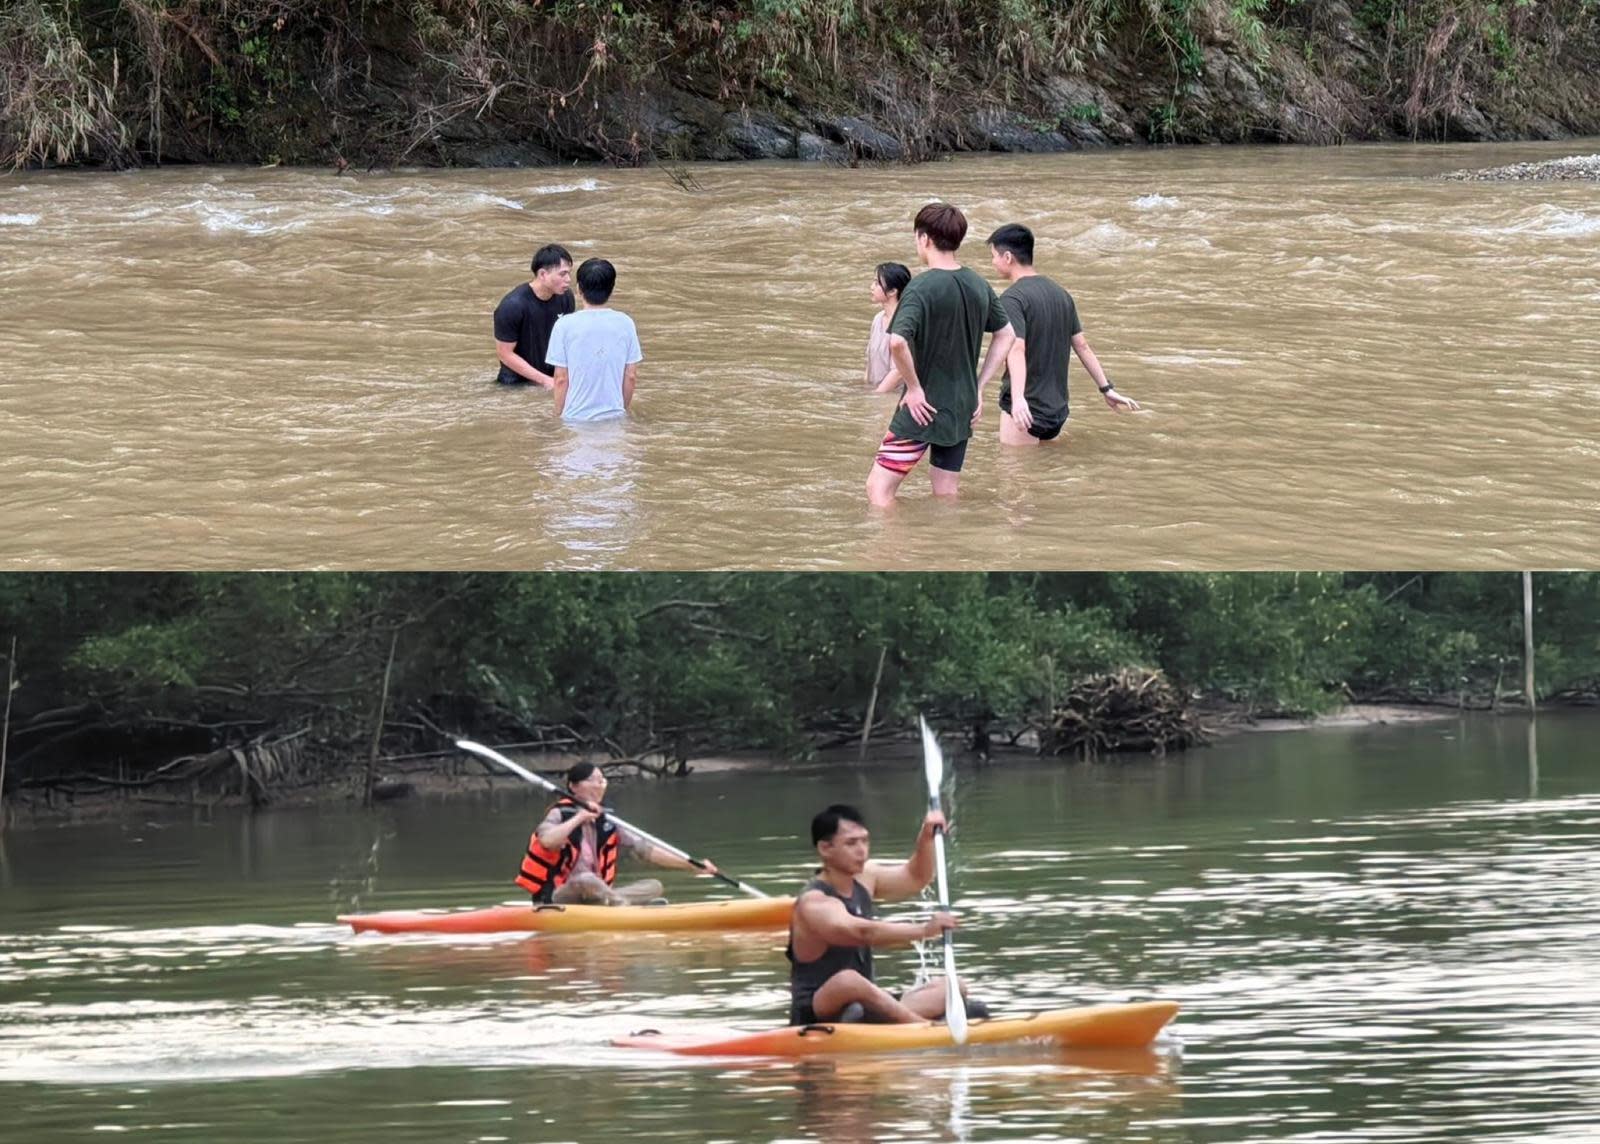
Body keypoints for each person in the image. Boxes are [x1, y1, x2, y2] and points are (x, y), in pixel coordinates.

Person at [867, 203, 1016, 507]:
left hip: (922, 408)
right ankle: (945, 550)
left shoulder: (920, 287)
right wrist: (979, 386)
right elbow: (1007, 334)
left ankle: (895, 553)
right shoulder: (978, 284)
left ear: (924, 239)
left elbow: (897, 341)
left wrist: (914, 387)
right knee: (946, 493)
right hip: (963, 405)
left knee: (878, 489)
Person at [787, 803, 986, 1025]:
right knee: (848, 981)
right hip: (818, 1010)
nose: (862, 850)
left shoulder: (867, 876)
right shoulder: (814, 902)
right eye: (851, 843)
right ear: (825, 848)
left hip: (864, 1006)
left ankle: (888, 1018)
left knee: (955, 986)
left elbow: (915, 877)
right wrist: (923, 930)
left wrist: (926, 838)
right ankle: (922, 1026)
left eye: (865, 840)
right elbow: (860, 932)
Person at [987, 223, 1140, 446]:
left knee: (1014, 476)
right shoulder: (1061, 294)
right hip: (1056, 410)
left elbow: (1017, 349)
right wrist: (1106, 389)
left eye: (993, 256)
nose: (992, 262)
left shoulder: (1012, 299)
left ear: (1008, 257)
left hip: (1025, 409)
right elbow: (1082, 346)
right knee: (1046, 470)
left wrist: (1018, 400)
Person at [514, 762, 716, 906]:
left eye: (602, 781)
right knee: (586, 879)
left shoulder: (609, 820)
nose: (599, 785)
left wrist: (691, 865)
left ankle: (614, 902)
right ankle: (621, 905)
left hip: (598, 896)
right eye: (593, 780)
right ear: (573, 787)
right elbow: (547, 841)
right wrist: (579, 818)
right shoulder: (559, 813)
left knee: (654, 886)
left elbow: (647, 850)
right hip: (559, 898)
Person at [547, 258, 643, 421]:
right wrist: (622, 410)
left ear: (579, 289)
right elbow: (631, 376)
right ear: (612, 289)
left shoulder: (564, 325)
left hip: (576, 419)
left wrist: (557, 415)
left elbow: (561, 379)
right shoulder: (625, 322)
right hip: (614, 418)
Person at [493, 243, 576, 387]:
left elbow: (567, 341)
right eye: (562, 274)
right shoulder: (512, 306)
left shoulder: (566, 297)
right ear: (543, 274)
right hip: (516, 384)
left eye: (569, 273)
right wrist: (545, 381)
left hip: (552, 377)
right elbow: (505, 354)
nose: (568, 279)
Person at [865, 262, 911, 392]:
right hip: (877, 390)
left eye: (877, 283)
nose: (871, 287)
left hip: (895, 395)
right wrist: (865, 388)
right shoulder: (877, 319)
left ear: (892, 291)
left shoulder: (904, 323)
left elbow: (898, 372)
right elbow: (870, 363)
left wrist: (876, 395)